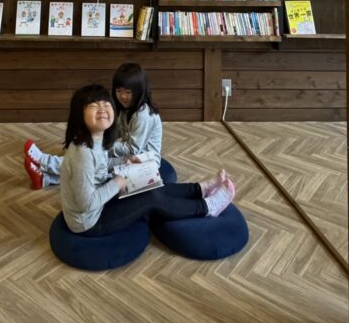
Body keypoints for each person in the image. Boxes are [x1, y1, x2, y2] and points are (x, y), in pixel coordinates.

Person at [59, 84, 235, 235]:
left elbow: (100, 167)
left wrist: (124, 161)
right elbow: (86, 204)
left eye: (106, 104)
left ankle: (200, 189)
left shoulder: (97, 139)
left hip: (100, 203)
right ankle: (207, 208)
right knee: (151, 198)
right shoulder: (82, 153)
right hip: (89, 222)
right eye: (94, 105)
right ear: (79, 114)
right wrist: (117, 183)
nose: (103, 109)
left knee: (149, 184)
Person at [23, 61, 161, 189]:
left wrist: (104, 145)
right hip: (128, 156)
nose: (122, 96)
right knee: (93, 160)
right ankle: (45, 178)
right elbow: (118, 133)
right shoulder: (126, 108)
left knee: (94, 161)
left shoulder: (143, 115)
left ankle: (43, 161)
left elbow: (133, 149)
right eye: (119, 91)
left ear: (139, 91)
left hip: (144, 163)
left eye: (128, 92)